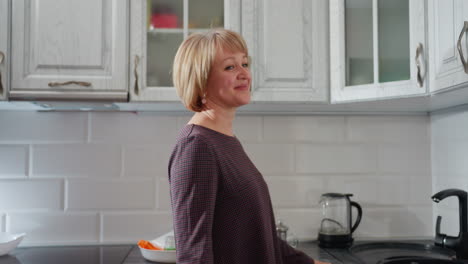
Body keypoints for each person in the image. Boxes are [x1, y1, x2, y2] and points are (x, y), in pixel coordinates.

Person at [168, 28, 330, 264]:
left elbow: (259, 235)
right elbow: (195, 254)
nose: (245, 74)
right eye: (230, 67)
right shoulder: (197, 146)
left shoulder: (224, 140)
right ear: (200, 80)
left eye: (245, 63)